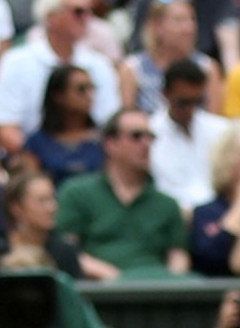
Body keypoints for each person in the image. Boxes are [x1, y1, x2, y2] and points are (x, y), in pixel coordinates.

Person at [57, 108, 192, 275]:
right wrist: (110, 276)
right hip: (98, 291)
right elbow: (66, 250)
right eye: (136, 136)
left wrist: (172, 285)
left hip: (156, 290)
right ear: (110, 144)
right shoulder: (77, 193)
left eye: (150, 137)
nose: (146, 143)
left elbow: (178, 256)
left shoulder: (167, 203)